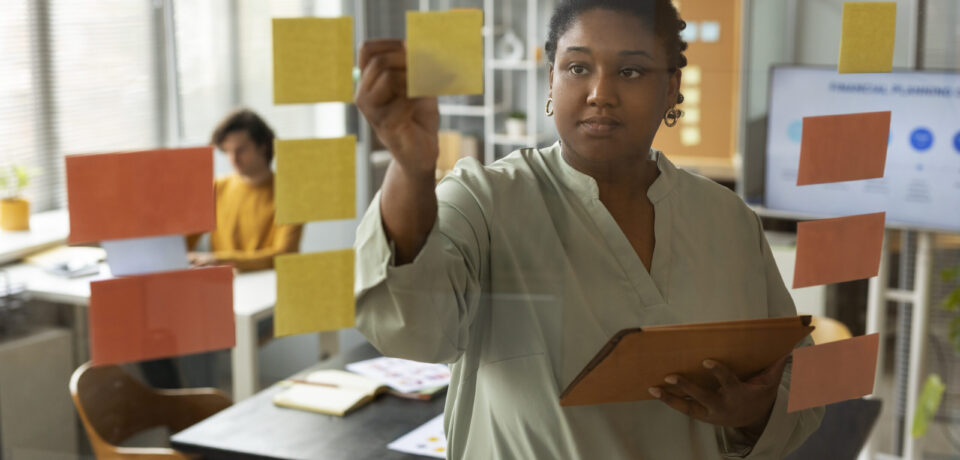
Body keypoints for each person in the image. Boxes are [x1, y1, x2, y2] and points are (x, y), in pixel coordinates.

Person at [353, 0, 824, 458]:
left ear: (671, 88)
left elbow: (795, 378)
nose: (601, 92)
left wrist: (756, 410)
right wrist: (411, 168)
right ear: (551, 81)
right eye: (578, 68)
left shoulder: (728, 220)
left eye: (631, 71)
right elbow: (409, 327)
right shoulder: (485, 200)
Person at [188, 108, 302, 271]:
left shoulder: (290, 193)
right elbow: (185, 241)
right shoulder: (217, 187)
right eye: (228, 151)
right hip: (224, 283)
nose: (233, 159)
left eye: (240, 150)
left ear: (262, 147)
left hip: (270, 285)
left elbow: (283, 254)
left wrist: (219, 259)